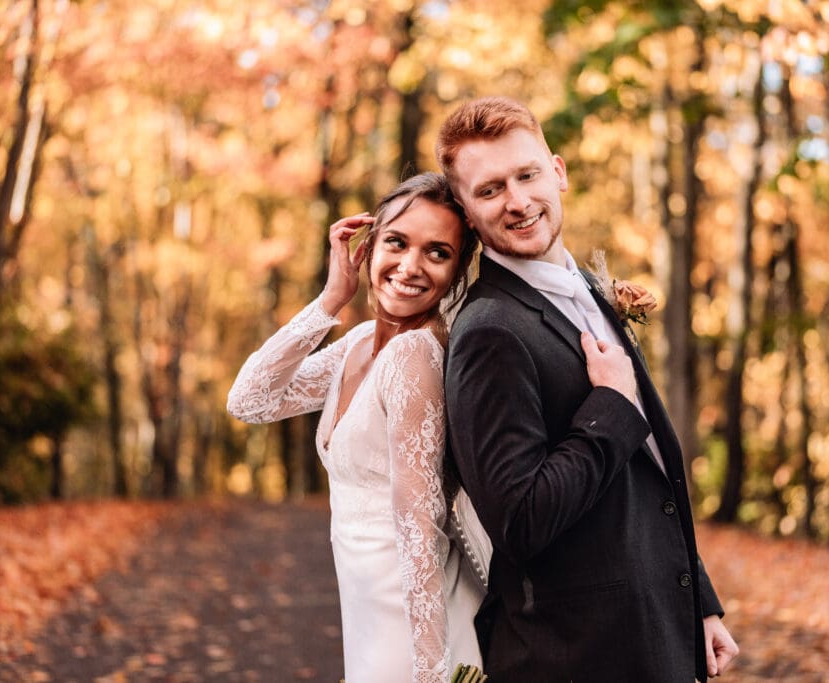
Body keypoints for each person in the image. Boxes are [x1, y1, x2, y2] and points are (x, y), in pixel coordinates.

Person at [437, 96, 739, 682]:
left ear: (559, 172)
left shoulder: (593, 291)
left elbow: (649, 473)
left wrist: (697, 601)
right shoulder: (489, 332)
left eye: (526, 175)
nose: (517, 201)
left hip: (652, 631)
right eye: (490, 190)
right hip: (577, 654)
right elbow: (521, 521)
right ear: (466, 212)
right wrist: (610, 407)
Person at [227, 173, 485, 683]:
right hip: (366, 604)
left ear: (457, 272)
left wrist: (431, 674)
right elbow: (250, 400)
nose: (410, 266)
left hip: (407, 616)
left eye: (437, 253)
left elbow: (419, 523)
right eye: (397, 242)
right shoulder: (361, 343)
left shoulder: (413, 355)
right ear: (367, 246)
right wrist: (330, 299)